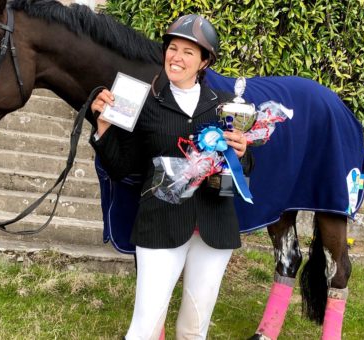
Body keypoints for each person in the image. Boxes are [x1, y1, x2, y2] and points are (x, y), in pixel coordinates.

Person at [89, 14, 252, 339]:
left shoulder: (225, 106)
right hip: (159, 227)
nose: (177, 57)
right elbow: (122, 168)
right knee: (144, 328)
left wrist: (243, 153)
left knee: (194, 330)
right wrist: (103, 129)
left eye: (188, 52)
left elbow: (242, 173)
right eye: (172, 48)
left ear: (204, 61)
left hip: (214, 229)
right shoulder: (143, 102)